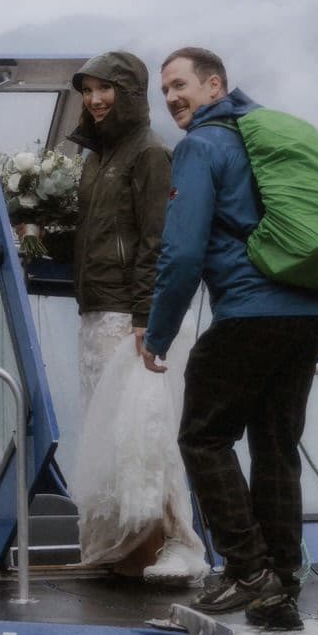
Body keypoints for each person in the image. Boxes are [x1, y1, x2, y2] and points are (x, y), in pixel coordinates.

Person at [138, 47, 318, 630]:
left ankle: (247, 569)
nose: (172, 97)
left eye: (180, 85)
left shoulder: (201, 147)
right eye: (165, 91)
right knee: (276, 448)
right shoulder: (274, 146)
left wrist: (159, 332)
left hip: (248, 315)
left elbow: (182, 252)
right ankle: (280, 586)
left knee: (204, 438)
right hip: (309, 321)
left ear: (214, 85)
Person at [68, 51, 206, 581]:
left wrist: (148, 318)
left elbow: (157, 240)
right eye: (87, 90)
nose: (95, 100)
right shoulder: (98, 155)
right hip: (94, 315)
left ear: (129, 93)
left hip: (131, 321)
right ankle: (120, 549)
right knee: (106, 440)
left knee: (146, 436)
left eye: (105, 90)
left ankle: (180, 542)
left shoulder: (149, 153)